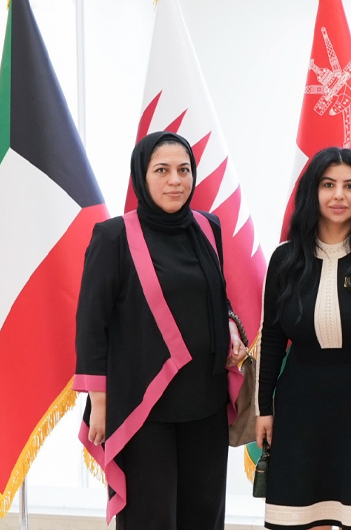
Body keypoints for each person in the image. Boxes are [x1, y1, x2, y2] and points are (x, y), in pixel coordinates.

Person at [74, 131, 248, 529]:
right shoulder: (113, 236)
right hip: (143, 405)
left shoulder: (208, 227)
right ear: (142, 175)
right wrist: (100, 404)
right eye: (162, 170)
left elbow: (213, 292)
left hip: (205, 400)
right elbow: (92, 323)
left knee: (204, 515)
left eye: (184, 170)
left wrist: (229, 323)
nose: (175, 180)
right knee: (149, 518)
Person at [255, 147, 351, 530]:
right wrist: (263, 409)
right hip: (299, 409)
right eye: (328, 185)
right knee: (305, 518)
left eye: (350, 186)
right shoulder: (284, 259)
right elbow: (272, 339)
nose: (339, 195)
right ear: (313, 191)